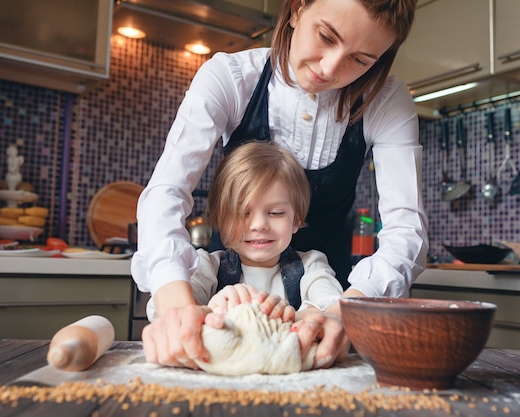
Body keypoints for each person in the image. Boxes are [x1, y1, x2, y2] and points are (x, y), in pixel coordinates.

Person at [132, 0, 428, 369]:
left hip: (328, 296)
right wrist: (178, 309)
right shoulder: (229, 77)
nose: (330, 67)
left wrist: (339, 314)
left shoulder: (387, 102)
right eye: (325, 36)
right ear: (297, 8)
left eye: (361, 60)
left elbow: (407, 233)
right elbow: (167, 192)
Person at [144, 141, 345, 363]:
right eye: (242, 212)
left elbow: (329, 303)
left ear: (296, 219)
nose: (259, 224)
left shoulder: (311, 265)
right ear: (221, 220)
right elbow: (162, 311)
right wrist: (213, 310)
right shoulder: (207, 266)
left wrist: (292, 316)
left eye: (276, 212)